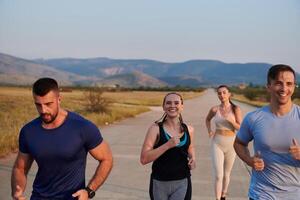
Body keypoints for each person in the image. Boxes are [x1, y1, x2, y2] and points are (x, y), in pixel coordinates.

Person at [11, 77, 113, 200]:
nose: (43, 110)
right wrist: (17, 192)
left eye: (48, 104)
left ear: (59, 99)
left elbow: (106, 159)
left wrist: (89, 191)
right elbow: (20, 167)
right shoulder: (28, 131)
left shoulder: (82, 127)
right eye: (38, 105)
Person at [234, 64, 300, 200]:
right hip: (261, 194)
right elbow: (239, 143)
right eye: (278, 83)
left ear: (294, 87)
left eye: (289, 84)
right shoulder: (253, 118)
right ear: (268, 86)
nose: (284, 89)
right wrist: (249, 160)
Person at [140, 92, 196, 200]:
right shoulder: (155, 129)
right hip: (159, 182)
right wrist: (167, 145)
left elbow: (190, 147)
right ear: (163, 107)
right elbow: (144, 159)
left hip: (182, 181)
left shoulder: (189, 129)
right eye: (168, 103)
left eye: (176, 103)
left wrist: (193, 158)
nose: (172, 106)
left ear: (182, 106)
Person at [205, 85, 242, 200]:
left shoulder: (236, 109)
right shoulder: (214, 109)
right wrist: (209, 131)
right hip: (217, 143)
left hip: (231, 144)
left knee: (226, 174)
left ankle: (223, 195)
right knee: (218, 175)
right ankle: (217, 198)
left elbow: (240, 128)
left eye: (224, 92)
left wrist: (231, 121)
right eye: (219, 93)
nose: (222, 95)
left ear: (229, 94)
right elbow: (207, 119)